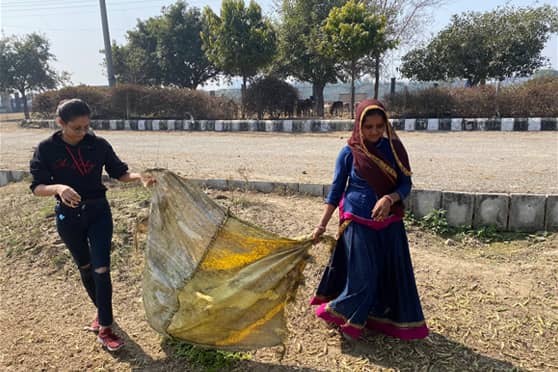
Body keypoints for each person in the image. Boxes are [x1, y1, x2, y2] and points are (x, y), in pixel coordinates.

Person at [29, 99, 153, 351]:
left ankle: (106, 327)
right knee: (85, 267)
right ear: (60, 123)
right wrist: (59, 188)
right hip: (68, 218)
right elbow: (37, 187)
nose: (84, 132)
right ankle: (101, 313)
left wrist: (140, 176)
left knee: (101, 269)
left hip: (99, 213)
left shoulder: (98, 145)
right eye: (77, 128)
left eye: (87, 126)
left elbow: (120, 173)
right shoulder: (46, 149)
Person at [310, 99, 428, 340]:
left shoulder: (394, 150)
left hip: (389, 221)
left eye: (379, 126)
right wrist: (322, 224)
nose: (374, 132)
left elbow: (406, 184)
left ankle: (365, 320)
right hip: (356, 219)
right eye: (368, 127)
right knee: (364, 275)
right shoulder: (349, 152)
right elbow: (335, 191)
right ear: (358, 126)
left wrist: (389, 198)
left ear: (386, 124)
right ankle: (337, 312)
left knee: (388, 273)